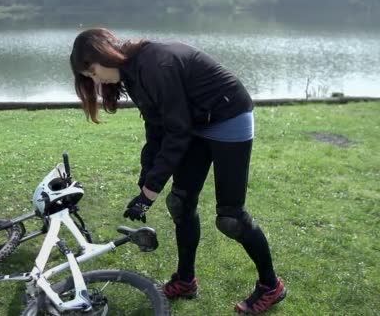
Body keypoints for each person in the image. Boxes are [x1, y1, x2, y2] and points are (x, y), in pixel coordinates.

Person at [69, 28, 286, 314]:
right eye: (89, 78)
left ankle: (272, 286)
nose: (95, 82)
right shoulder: (132, 74)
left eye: (93, 72)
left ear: (103, 54)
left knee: (230, 218)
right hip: (195, 121)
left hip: (228, 116)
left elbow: (177, 133)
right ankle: (185, 280)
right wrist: (146, 182)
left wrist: (150, 191)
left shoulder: (156, 65)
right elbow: (156, 128)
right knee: (180, 203)